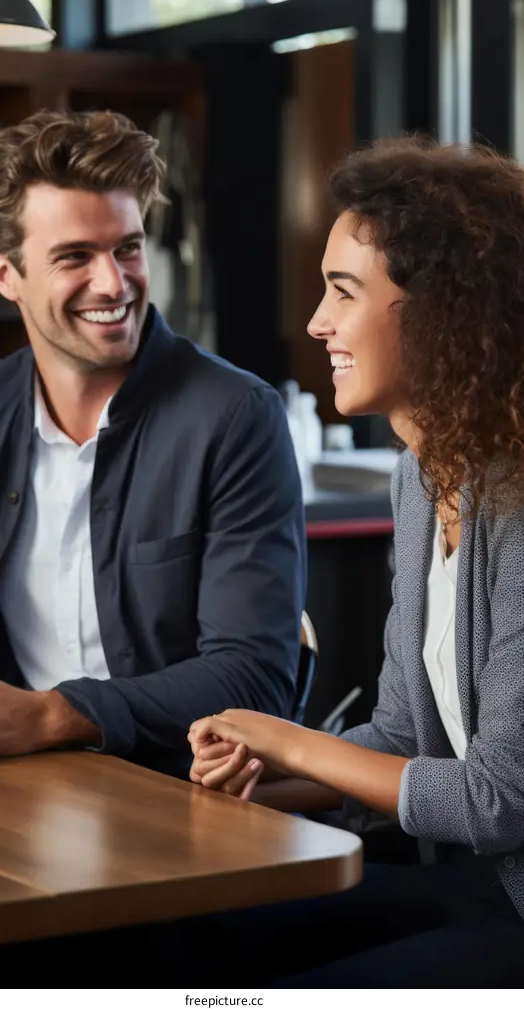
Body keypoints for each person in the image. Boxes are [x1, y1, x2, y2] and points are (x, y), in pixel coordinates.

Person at [187, 138, 524, 987]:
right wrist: (263, 774)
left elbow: (496, 799)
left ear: (443, 310)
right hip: (479, 887)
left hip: (510, 899)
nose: (316, 322)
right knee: (193, 936)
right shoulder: (422, 474)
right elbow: (405, 739)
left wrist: (287, 740)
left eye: (344, 291)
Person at [0, 109, 305, 778]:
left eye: (127, 247)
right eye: (75, 256)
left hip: (170, 792)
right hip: (1, 781)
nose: (114, 282)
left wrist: (48, 714)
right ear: (4, 274)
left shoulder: (235, 416)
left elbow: (254, 678)